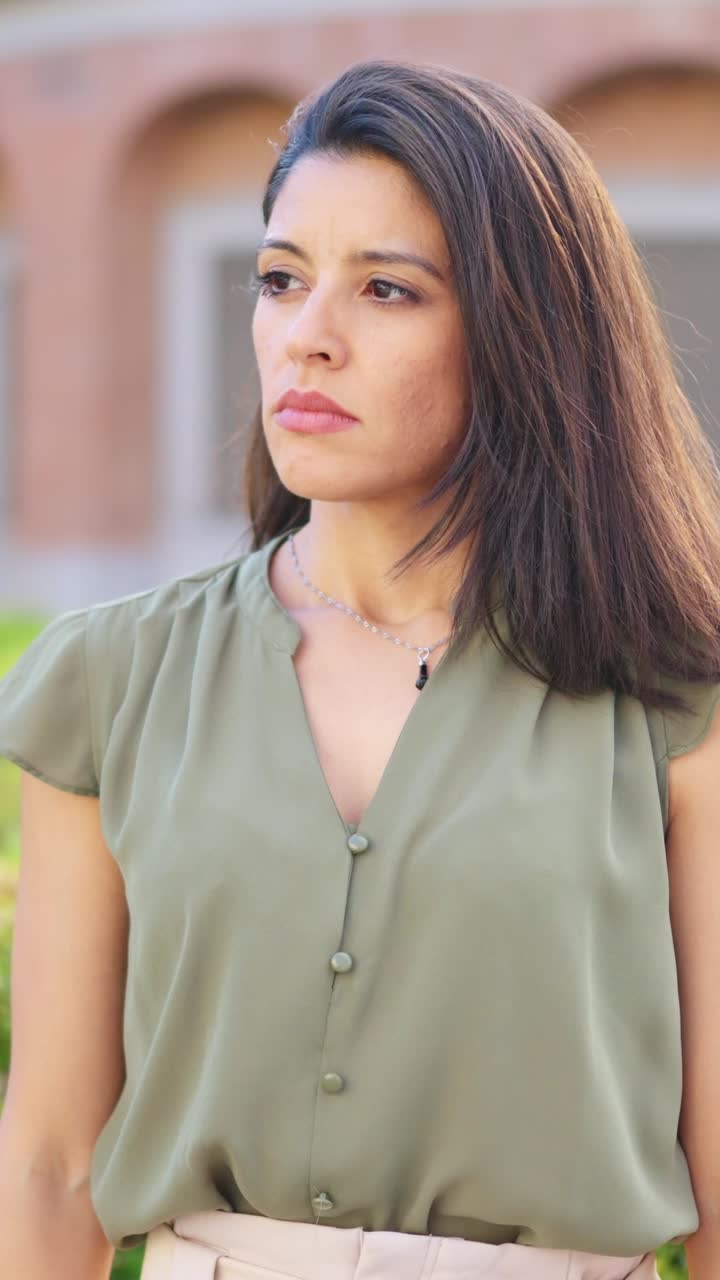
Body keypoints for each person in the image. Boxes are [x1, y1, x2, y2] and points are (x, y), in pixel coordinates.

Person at [0, 56, 719, 1280]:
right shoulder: (110, 675)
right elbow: (53, 1158)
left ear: (520, 331)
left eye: (387, 290)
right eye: (281, 278)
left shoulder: (674, 696)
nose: (306, 338)